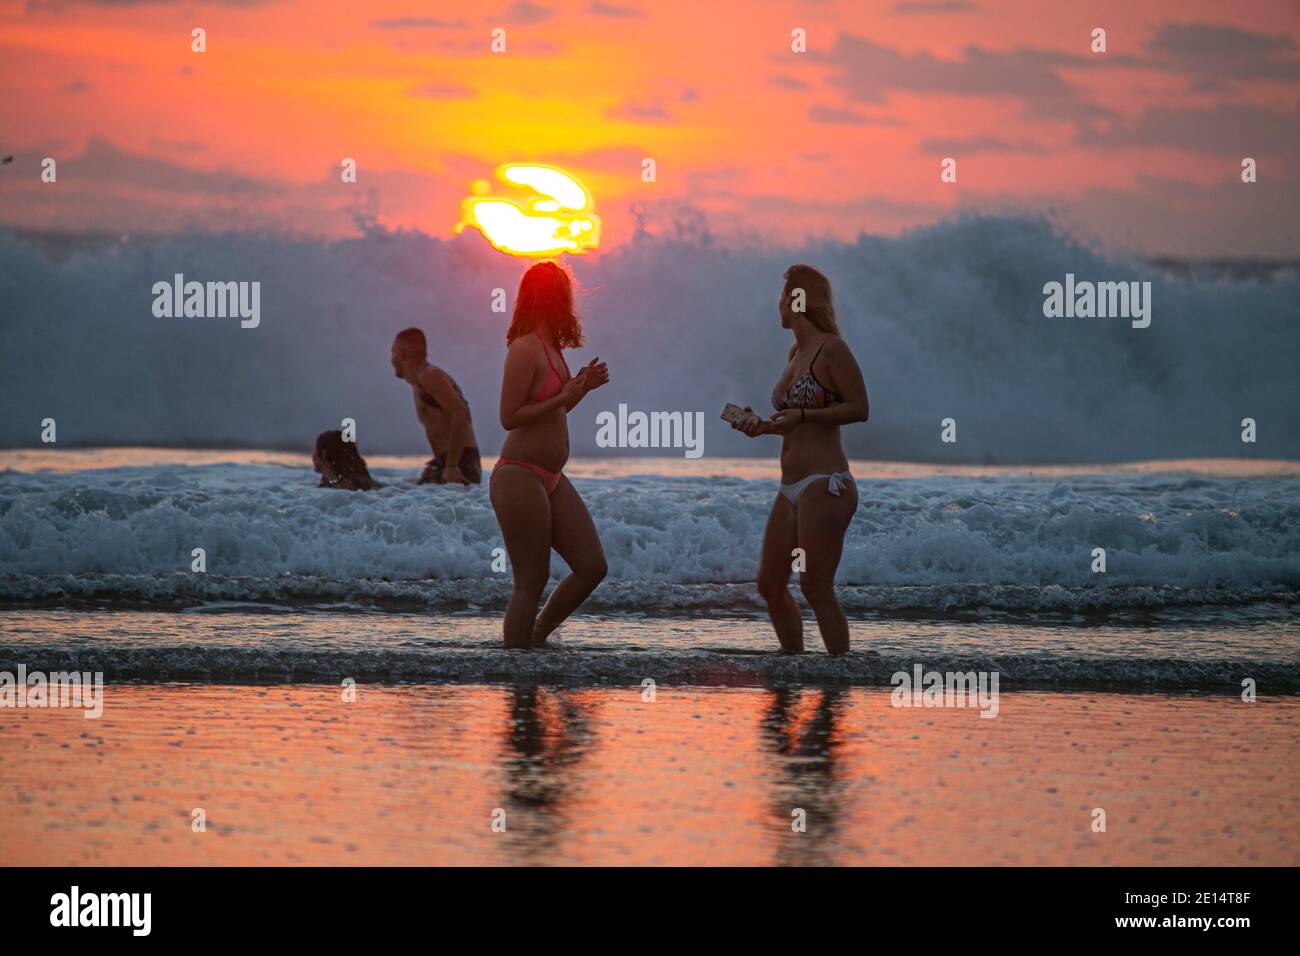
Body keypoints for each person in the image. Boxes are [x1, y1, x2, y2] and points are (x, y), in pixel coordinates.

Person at [730, 265, 869, 654]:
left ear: (797, 301)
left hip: (825, 484)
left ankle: (839, 676)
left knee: (815, 586)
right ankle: (794, 664)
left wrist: (804, 416)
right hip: (790, 488)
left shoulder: (832, 349)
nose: (778, 305)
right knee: (770, 584)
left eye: (783, 297)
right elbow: (793, 419)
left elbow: (860, 408)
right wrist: (761, 426)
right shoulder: (797, 352)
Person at [490, 261, 610, 649]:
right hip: (519, 475)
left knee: (592, 566)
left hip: (551, 476)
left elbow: (551, 410)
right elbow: (509, 417)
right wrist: (564, 395)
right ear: (551, 298)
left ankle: (538, 636)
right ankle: (516, 667)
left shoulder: (553, 348)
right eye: (564, 295)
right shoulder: (524, 348)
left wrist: (579, 391)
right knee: (531, 580)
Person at [390, 327, 482, 484]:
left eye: (392, 352)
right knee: (391, 493)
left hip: (461, 465)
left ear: (401, 354)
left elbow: (461, 413)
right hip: (445, 463)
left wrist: (452, 466)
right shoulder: (419, 381)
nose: (391, 359)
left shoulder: (429, 376)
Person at [313, 430, 380, 490]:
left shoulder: (346, 486)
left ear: (323, 453)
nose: (313, 456)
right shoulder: (329, 482)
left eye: (315, 451)